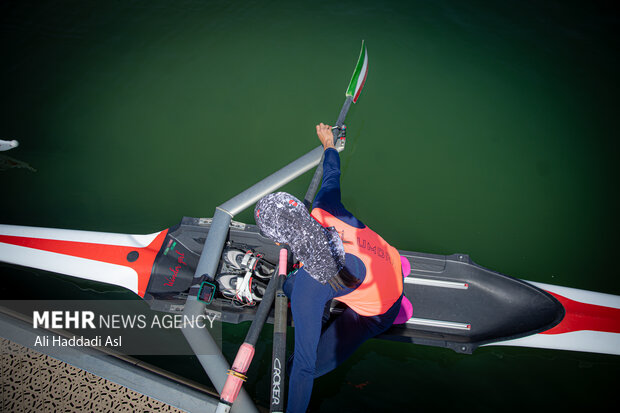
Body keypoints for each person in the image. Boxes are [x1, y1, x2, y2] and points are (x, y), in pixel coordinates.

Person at [254, 123, 404, 413]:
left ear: (277, 239)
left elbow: (305, 369)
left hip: (380, 311)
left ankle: (327, 307)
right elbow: (332, 173)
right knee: (295, 287)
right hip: (387, 259)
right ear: (298, 207)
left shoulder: (309, 290)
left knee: (294, 366)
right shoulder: (324, 206)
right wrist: (329, 144)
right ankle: (323, 301)